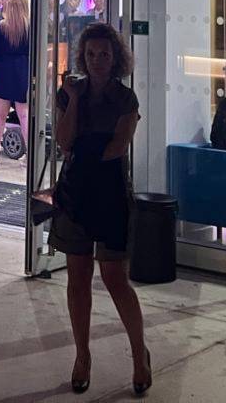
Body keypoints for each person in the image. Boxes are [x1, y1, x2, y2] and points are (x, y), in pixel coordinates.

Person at [53, 22, 149, 396]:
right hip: (75, 193)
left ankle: (139, 354)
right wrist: (74, 101)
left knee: (114, 278)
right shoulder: (70, 94)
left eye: (104, 54)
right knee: (77, 277)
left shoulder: (125, 99)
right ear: (83, 56)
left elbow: (118, 147)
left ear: (116, 58)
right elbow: (63, 142)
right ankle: (82, 356)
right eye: (91, 54)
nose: (97, 61)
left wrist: (81, 151)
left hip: (109, 194)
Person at [0, 0, 31, 169]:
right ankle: (29, 154)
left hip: (3, 72)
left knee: (0, 115)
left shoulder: (1, 27)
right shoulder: (30, 28)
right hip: (22, 72)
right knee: (24, 114)